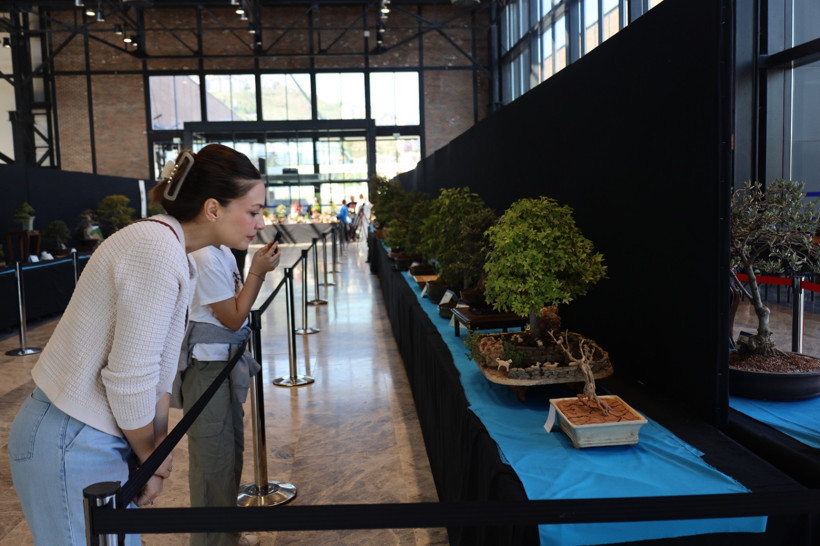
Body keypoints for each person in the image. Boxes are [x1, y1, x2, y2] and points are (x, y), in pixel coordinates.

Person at [8, 143, 273, 545]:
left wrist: (155, 453)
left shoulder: (175, 252)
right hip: (71, 436)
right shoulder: (156, 248)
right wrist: (149, 456)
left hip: (96, 435)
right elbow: (129, 377)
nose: (259, 221)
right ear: (213, 208)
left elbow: (160, 370)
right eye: (252, 211)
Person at [178, 238, 280, 546]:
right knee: (212, 463)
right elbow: (234, 317)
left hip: (224, 364)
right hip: (207, 368)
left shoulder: (221, 252)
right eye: (250, 212)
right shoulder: (205, 256)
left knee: (230, 454)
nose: (257, 225)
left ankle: (227, 537)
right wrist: (258, 272)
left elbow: (236, 305)